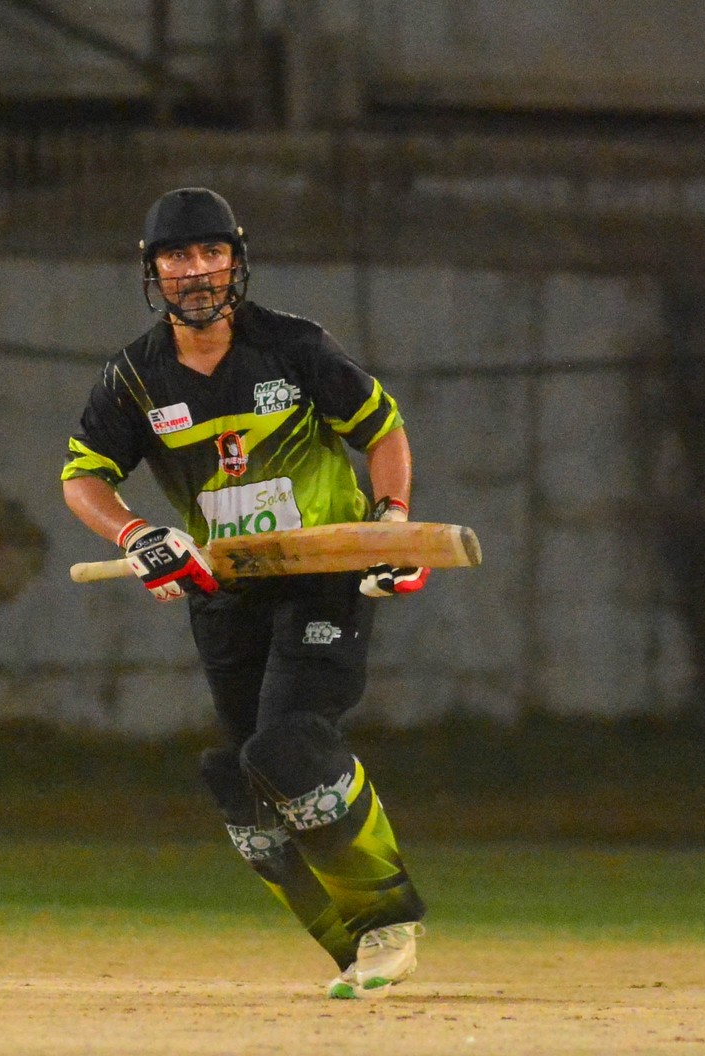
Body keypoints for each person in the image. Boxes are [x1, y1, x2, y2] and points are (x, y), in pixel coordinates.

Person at [61, 187, 430, 999]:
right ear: (153, 270)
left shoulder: (294, 346)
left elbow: (383, 430)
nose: (197, 270)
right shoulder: (135, 377)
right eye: (178, 255)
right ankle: (348, 941)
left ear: (236, 260)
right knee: (243, 782)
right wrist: (139, 535)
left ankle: (387, 920)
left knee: (288, 748)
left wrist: (392, 523)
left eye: (211, 252)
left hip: (322, 579)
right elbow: (82, 478)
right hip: (225, 593)